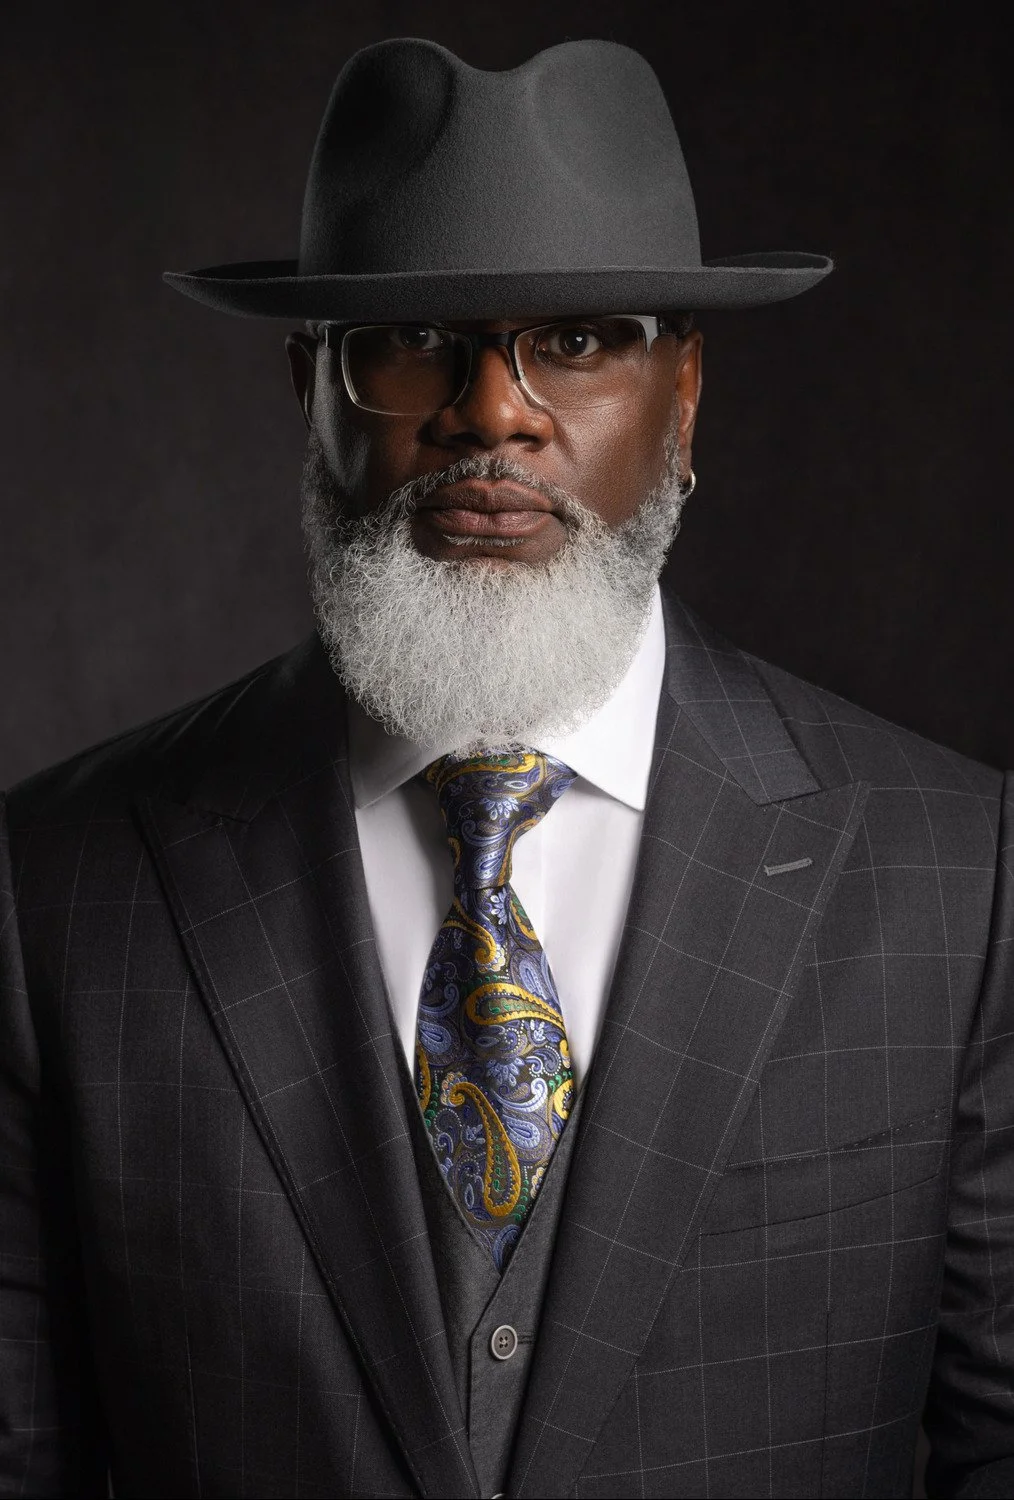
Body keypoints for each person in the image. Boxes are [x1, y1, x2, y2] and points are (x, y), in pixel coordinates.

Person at [0, 35, 1010, 1500]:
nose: (492, 412)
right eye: (413, 340)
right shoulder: (53, 889)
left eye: (579, 339)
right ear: (310, 386)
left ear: (684, 393)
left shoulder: (963, 877)